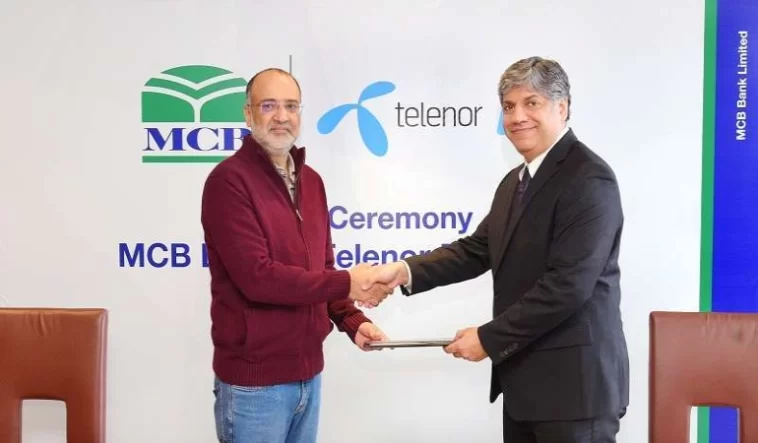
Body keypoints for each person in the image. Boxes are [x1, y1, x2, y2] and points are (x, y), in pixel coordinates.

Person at [364, 57, 629, 442]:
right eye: (508, 106)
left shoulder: (589, 177)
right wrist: (404, 271)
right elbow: (476, 250)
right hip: (526, 389)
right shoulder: (514, 182)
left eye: (531, 103)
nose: (517, 116)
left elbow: (568, 286)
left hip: (576, 392)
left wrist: (489, 338)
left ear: (562, 107)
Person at [200, 67, 391, 443]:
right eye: (268, 105)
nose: (281, 116)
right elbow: (258, 279)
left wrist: (352, 321)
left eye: (291, 106)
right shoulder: (228, 181)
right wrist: (350, 282)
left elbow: (323, 270)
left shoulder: (312, 182)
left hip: (309, 377)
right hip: (254, 387)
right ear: (248, 114)